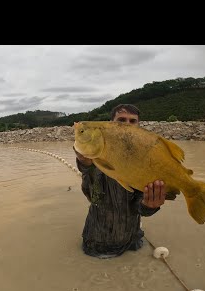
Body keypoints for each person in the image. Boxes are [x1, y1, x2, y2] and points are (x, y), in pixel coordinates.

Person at [74, 104, 173, 259]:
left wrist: (149, 206)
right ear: (111, 124)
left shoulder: (147, 159)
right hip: (96, 242)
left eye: (132, 121)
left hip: (133, 241)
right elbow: (88, 182)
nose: (127, 124)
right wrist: (84, 163)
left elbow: (139, 207)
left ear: (138, 126)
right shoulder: (97, 156)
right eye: (121, 120)